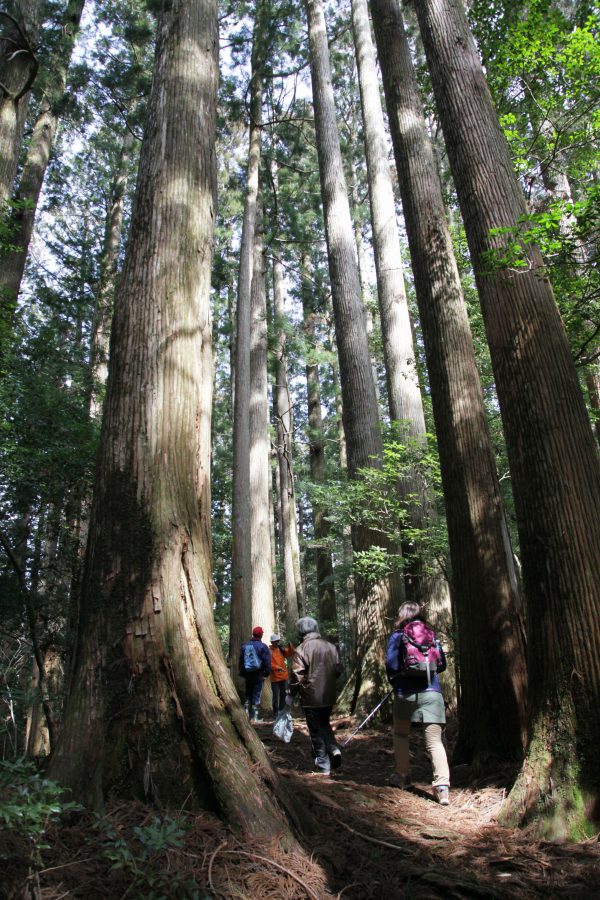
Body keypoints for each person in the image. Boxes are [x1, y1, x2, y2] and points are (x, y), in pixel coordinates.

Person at [385, 601, 450, 805]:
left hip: (405, 694)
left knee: (401, 735)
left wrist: (397, 681)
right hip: (432, 693)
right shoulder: (430, 634)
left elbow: (391, 664)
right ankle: (442, 787)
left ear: (401, 614)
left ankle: (402, 776)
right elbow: (441, 664)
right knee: (434, 742)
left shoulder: (397, 636)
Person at [289, 616, 342, 774]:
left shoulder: (301, 649)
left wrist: (291, 694)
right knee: (324, 723)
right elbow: (338, 669)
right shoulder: (330, 646)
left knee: (315, 730)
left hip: (311, 697)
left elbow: (296, 676)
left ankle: (323, 765)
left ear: (301, 630)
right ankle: (334, 749)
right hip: (329, 695)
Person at [238, 626, 271, 723]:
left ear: (253, 634)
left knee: (248, 693)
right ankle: (254, 717)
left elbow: (241, 661)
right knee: (256, 694)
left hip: (248, 674)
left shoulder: (245, 646)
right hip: (258, 674)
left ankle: (246, 716)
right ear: (261, 635)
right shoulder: (263, 647)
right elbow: (267, 662)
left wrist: (242, 672)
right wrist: (266, 673)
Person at [269, 633, 294, 718]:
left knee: (283, 695)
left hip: (283, 676)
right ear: (272, 642)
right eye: (275, 641)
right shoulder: (269, 651)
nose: (277, 642)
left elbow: (289, 653)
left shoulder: (281, 649)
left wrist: (290, 645)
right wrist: (277, 667)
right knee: (275, 696)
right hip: (274, 678)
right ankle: (275, 712)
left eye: (277, 641)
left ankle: (281, 711)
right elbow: (269, 664)